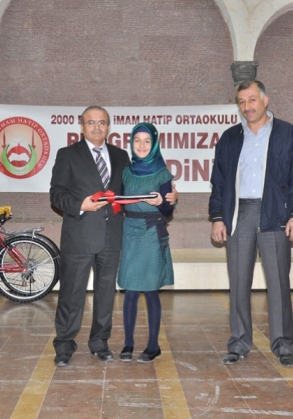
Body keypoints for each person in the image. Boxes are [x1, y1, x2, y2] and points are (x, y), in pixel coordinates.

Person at [49, 106, 177, 367]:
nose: (97, 127)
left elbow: (138, 188)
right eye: (91, 122)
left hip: (114, 237)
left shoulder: (121, 157)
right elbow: (56, 194)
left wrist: (171, 197)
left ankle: (99, 342)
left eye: (102, 123)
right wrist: (80, 205)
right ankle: (64, 344)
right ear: (82, 126)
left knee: (106, 294)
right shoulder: (67, 155)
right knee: (71, 293)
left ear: (109, 126)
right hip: (79, 236)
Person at [208, 80, 293, 368]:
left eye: (252, 100)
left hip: (275, 215)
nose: (247, 107)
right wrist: (218, 217)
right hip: (239, 215)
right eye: (241, 101)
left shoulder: (287, 133)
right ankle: (239, 343)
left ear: (265, 100)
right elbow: (219, 182)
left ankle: (283, 345)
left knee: (278, 283)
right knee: (238, 282)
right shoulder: (229, 138)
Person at [116, 122, 174, 363]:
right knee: (130, 290)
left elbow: (169, 210)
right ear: (131, 143)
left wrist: (162, 202)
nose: (142, 145)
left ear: (154, 144)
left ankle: (153, 346)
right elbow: (117, 201)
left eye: (147, 141)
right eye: (137, 140)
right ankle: (128, 344)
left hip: (151, 233)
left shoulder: (162, 172)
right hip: (130, 232)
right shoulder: (125, 172)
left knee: (150, 290)